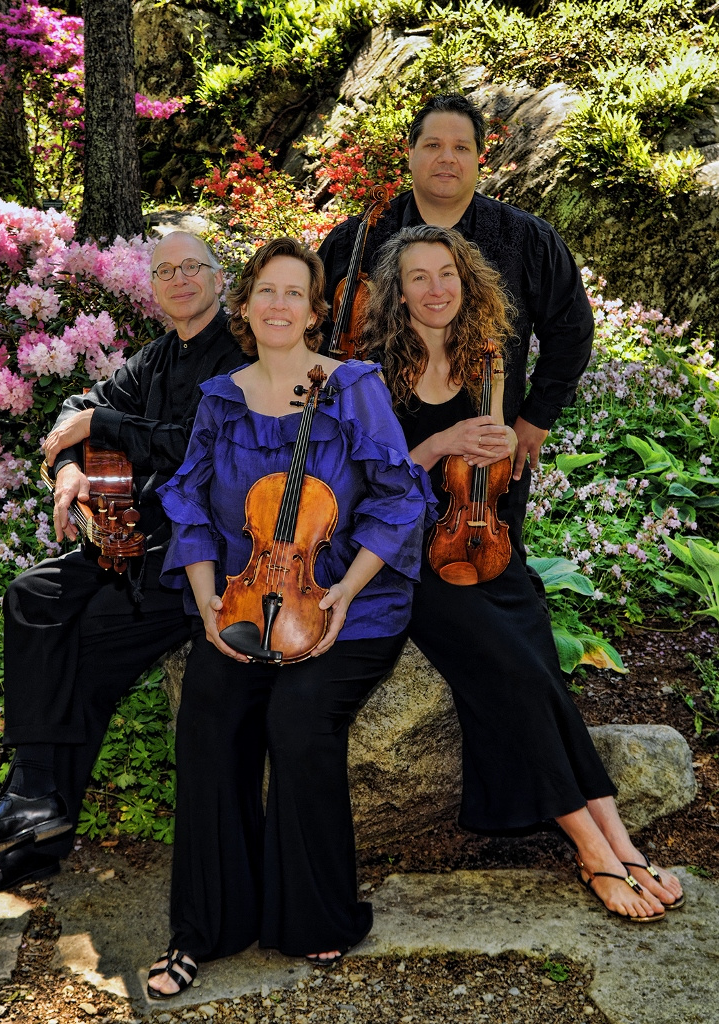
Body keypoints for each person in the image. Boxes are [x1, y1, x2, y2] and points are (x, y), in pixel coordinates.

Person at [360, 223, 685, 923]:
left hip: (485, 540)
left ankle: (618, 842)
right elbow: (367, 483)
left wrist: (500, 442)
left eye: (446, 273)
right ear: (398, 292)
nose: (436, 289)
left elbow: (496, 470)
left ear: (465, 279)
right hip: (410, 557)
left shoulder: (488, 358)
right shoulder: (374, 373)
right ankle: (593, 849)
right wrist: (442, 442)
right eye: (418, 277)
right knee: (514, 670)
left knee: (538, 674)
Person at [146, 237, 434, 998]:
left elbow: (399, 498)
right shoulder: (220, 398)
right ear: (244, 306)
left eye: (294, 293)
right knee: (209, 715)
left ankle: (317, 915)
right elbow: (189, 504)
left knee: (299, 718)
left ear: (314, 312)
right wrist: (207, 600)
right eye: (265, 291)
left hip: (349, 604)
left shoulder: (352, 386)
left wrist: (344, 593)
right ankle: (203, 928)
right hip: (246, 598)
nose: (278, 305)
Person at [0, 231, 246, 898]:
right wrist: (71, 466)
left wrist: (102, 423)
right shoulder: (157, 356)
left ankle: (33, 835)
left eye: (193, 267)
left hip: (199, 559)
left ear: (220, 281)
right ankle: (34, 802)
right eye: (165, 271)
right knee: (32, 595)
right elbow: (77, 407)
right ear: (152, 288)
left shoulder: (241, 355)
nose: (179, 279)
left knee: (80, 655)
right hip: (132, 539)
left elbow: (198, 444)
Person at [318, 92, 595, 570]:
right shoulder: (357, 238)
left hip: (486, 464)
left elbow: (571, 328)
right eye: (432, 145)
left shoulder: (527, 238)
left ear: (479, 158)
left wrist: (536, 417)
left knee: (488, 573)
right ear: (410, 153)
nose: (446, 158)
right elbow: (317, 330)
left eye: (461, 147)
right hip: (382, 450)